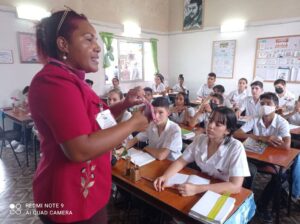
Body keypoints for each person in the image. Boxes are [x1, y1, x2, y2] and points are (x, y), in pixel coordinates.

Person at [29, 9, 148, 224]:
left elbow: (93, 122)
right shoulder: (55, 83)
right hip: (67, 196)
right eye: (88, 39)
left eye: (96, 40)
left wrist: (124, 104)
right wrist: (133, 123)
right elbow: (80, 149)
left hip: (86, 193)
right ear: (63, 44)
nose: (98, 47)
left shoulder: (73, 81)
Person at [154, 106, 250, 195]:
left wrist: (197, 189)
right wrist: (165, 176)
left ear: (228, 131)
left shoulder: (236, 147)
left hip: (222, 190)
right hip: (202, 182)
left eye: (218, 124)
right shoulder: (200, 139)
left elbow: (236, 186)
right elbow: (181, 160)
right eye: (210, 120)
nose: (210, 126)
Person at [234, 92, 292, 223]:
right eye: (262, 104)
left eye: (268, 104)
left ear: (276, 106)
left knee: (280, 176)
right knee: (247, 169)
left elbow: (287, 145)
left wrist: (259, 140)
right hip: (254, 155)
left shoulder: (282, 122)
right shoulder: (256, 118)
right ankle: (243, 200)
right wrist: (261, 138)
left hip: (271, 159)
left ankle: (263, 205)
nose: (264, 106)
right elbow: (237, 133)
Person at [127, 97, 182, 161]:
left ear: (168, 113)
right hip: (154, 160)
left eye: (160, 112)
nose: (155, 116)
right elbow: (135, 139)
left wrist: (147, 148)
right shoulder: (151, 125)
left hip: (170, 164)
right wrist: (121, 150)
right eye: (153, 112)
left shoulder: (175, 129)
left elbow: (161, 155)